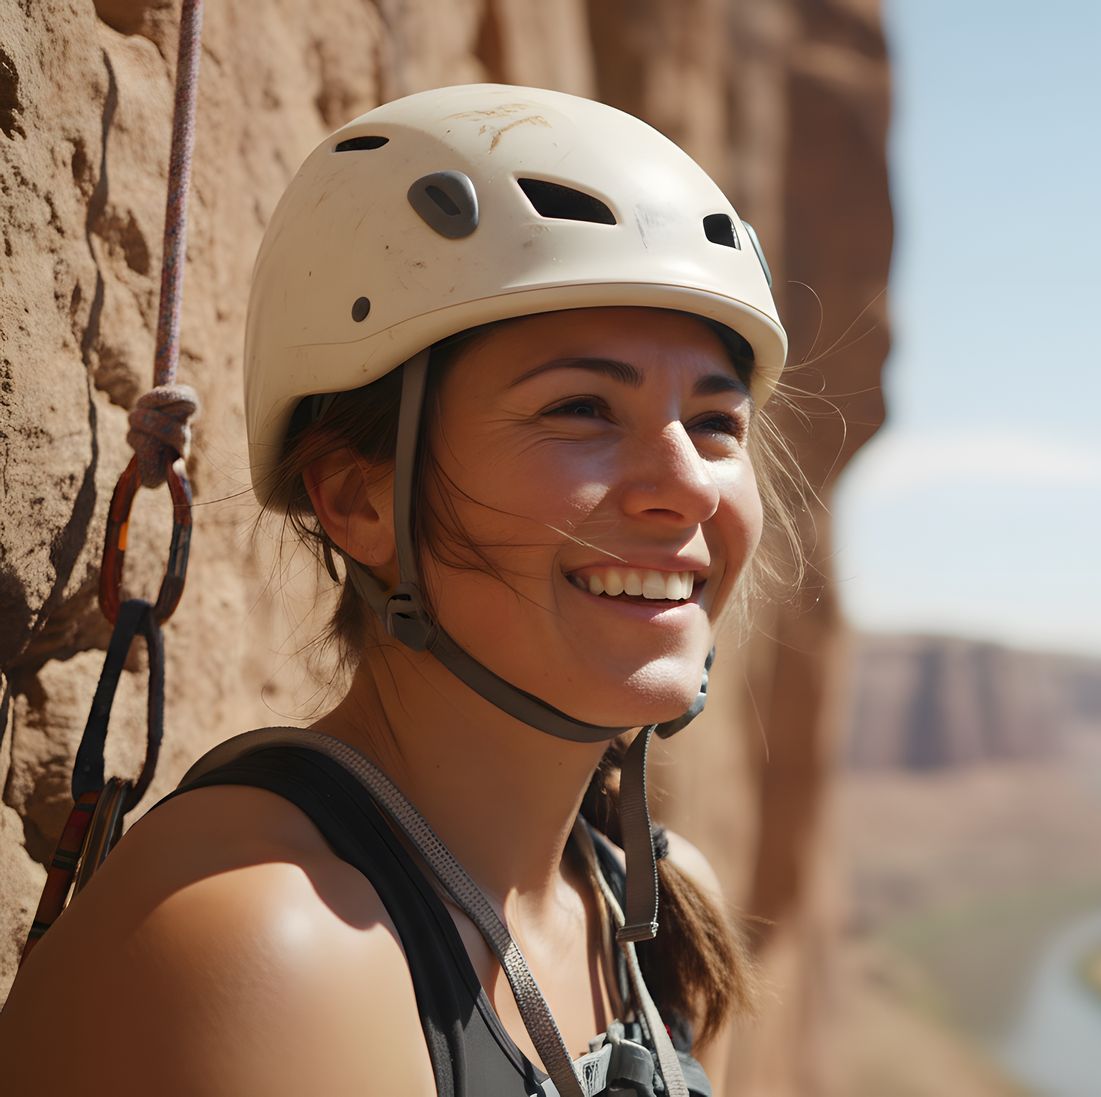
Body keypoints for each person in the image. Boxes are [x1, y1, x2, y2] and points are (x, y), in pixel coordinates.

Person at [0, 82, 791, 1097]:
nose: (687, 480)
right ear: (357, 497)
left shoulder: (657, 920)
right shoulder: (270, 942)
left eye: (718, 421)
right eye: (582, 407)